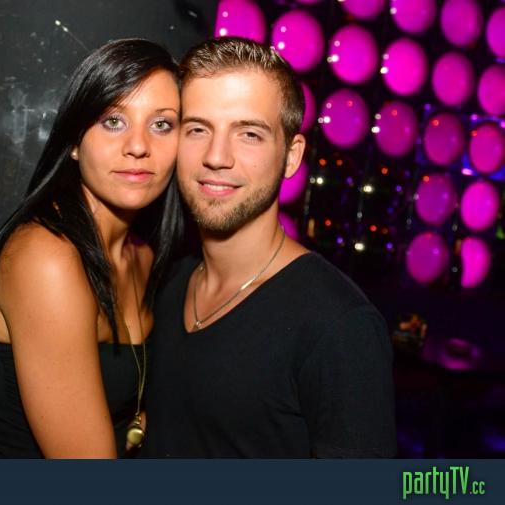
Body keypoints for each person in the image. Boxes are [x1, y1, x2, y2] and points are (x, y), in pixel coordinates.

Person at [142, 37, 396, 458]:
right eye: (198, 129)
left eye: (249, 134)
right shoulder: (169, 282)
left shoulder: (338, 326)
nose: (216, 156)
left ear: (291, 156)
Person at [0, 39, 184, 458]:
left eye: (162, 124)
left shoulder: (146, 257)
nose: (138, 146)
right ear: (74, 141)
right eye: (113, 121)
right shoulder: (46, 258)